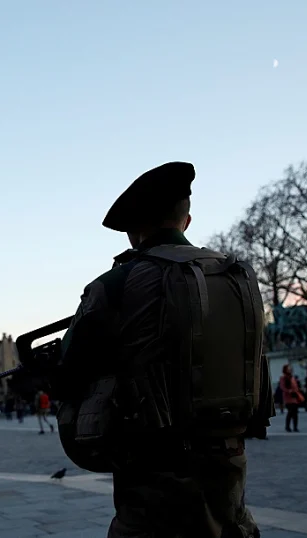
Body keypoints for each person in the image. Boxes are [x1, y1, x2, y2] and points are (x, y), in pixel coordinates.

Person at [58, 162, 272, 538]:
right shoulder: (239, 277)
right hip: (230, 472)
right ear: (186, 221)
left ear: (133, 230)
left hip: (153, 485)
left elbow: (69, 374)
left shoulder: (117, 284)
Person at [280, 365, 302, 432]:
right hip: (288, 397)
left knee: (295, 412)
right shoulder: (283, 378)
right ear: (285, 370)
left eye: (290, 368)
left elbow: (296, 386)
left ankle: (295, 427)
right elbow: (282, 387)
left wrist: (297, 390)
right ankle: (287, 426)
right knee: (290, 412)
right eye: (288, 369)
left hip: (294, 397)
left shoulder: (292, 377)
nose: (290, 370)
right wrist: (289, 390)